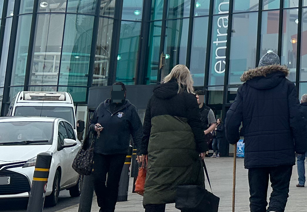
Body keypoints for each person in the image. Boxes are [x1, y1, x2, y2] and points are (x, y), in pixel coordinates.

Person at [225, 51, 299, 212]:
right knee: (280, 191)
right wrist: (300, 146)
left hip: (256, 150)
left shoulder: (245, 89)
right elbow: (296, 119)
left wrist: (233, 137)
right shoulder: (287, 86)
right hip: (282, 149)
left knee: (257, 196)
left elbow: (231, 118)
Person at [139, 65, 208, 212]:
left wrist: (142, 151)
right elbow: (196, 125)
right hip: (184, 152)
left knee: (156, 190)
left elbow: (146, 128)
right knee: (188, 189)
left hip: (159, 153)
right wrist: (202, 148)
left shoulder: (154, 98)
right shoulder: (189, 98)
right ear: (187, 79)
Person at [90, 82, 142, 212]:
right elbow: (91, 124)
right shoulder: (102, 107)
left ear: (124, 94)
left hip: (119, 152)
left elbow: (137, 131)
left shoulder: (130, 109)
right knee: (98, 179)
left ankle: (108, 209)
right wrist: (94, 127)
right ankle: (103, 203)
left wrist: (140, 151)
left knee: (113, 182)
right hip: (100, 150)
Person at [195, 90, 217, 154]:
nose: (197, 100)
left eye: (198, 98)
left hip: (203, 135)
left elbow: (213, 124)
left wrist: (205, 132)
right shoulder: (192, 109)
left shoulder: (208, 110)